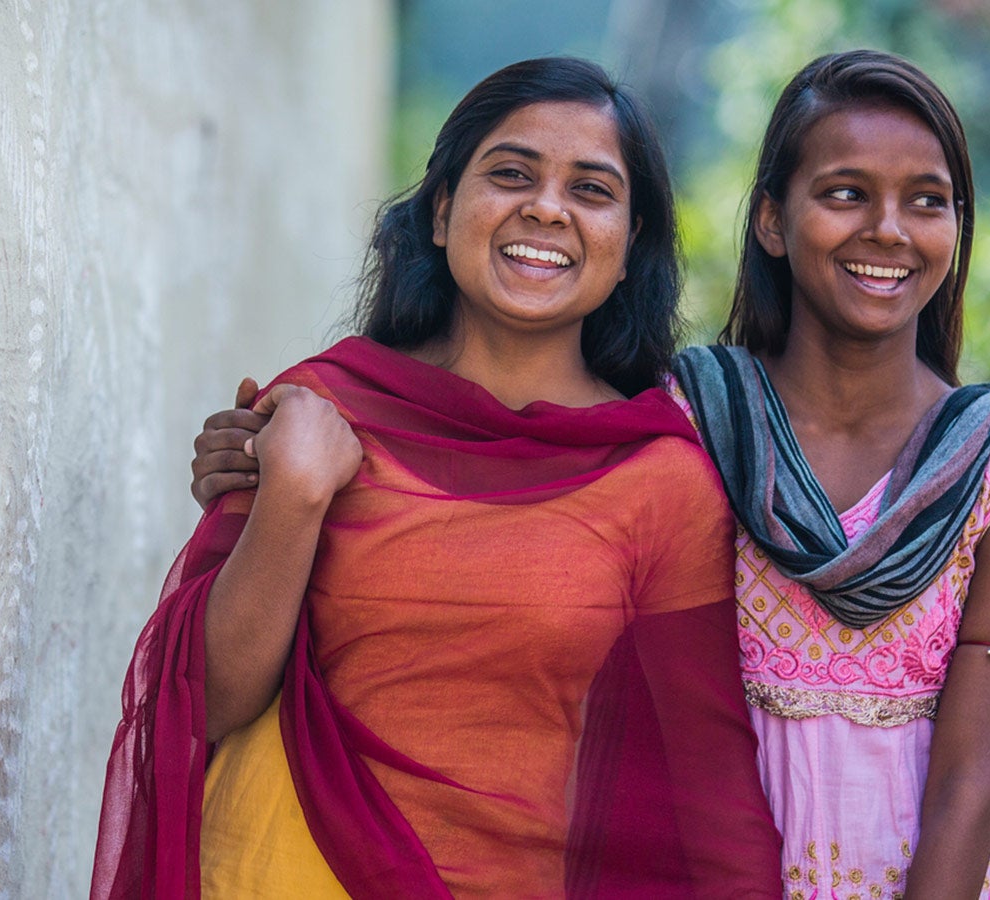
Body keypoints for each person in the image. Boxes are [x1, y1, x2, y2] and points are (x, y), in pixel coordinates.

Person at [190, 50, 990, 900]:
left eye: (927, 201)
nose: (886, 229)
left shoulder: (989, 469)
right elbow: (217, 686)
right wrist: (275, 485)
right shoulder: (691, 421)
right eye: (845, 193)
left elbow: (968, 780)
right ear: (770, 218)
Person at [93, 57, 782, 900]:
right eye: (512, 173)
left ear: (629, 243)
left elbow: (708, 781)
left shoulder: (657, 476)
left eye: (592, 190)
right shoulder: (322, 409)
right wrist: (296, 497)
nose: (547, 207)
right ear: (443, 209)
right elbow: (205, 700)